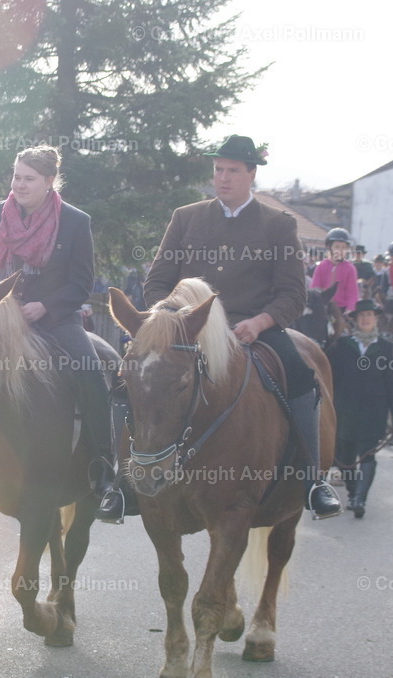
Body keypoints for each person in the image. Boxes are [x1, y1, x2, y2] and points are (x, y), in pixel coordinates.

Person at [134, 133, 342, 521]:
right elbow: (157, 283)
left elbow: (293, 294)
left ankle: (314, 481)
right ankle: (122, 480)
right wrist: (172, 320)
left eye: (232, 170)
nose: (223, 177)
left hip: (252, 330)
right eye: (218, 170)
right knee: (131, 375)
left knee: (301, 376)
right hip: (188, 332)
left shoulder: (278, 224)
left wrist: (261, 321)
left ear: (251, 174)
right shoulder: (186, 217)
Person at [0, 145, 120, 522]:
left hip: (55, 320)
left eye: (29, 179)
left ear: (50, 181)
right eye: (16, 177)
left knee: (90, 371)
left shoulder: (75, 221)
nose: (19, 185)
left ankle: (104, 470)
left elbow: (81, 283)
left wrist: (45, 306)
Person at [326, 299, 393, 518]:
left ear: (376, 318)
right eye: (362, 315)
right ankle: (352, 492)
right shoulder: (342, 345)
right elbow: (330, 377)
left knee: (367, 454)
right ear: (356, 320)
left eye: (369, 314)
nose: (366, 318)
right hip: (344, 410)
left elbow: (390, 383)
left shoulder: (385, 347)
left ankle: (360, 498)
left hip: (373, 411)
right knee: (345, 456)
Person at [310, 227, 359, 313]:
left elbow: (352, 292)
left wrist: (350, 309)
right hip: (322, 308)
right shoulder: (321, 266)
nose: (340, 250)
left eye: (343, 247)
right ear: (330, 247)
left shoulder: (350, 268)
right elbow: (315, 288)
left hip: (342, 309)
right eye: (337, 247)